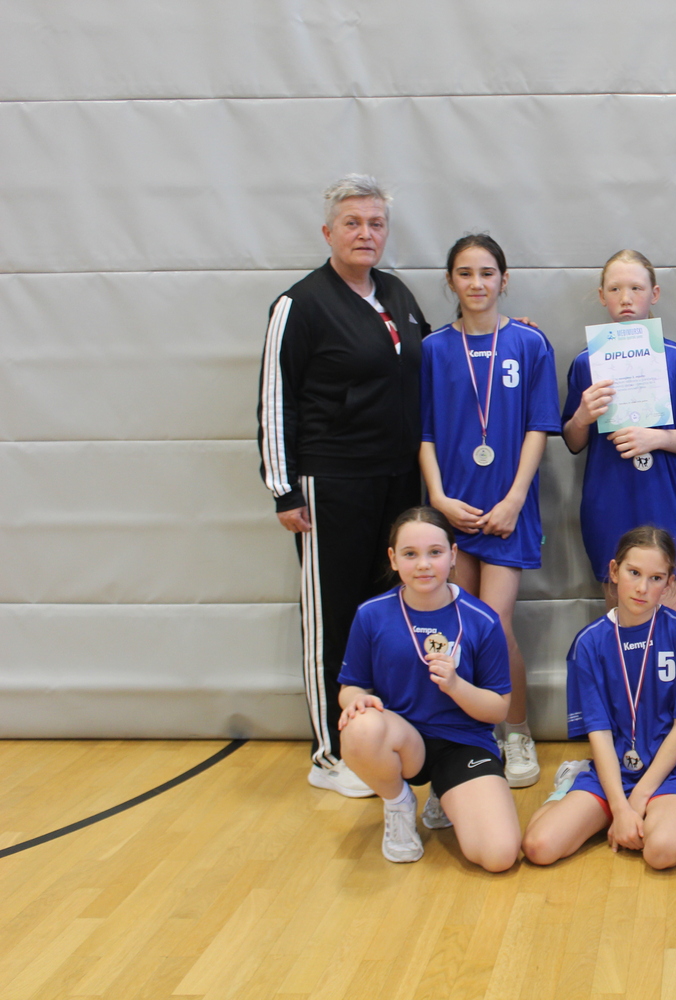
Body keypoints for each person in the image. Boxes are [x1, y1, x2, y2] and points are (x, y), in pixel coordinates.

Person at [257, 174, 429, 797]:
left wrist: (497, 330)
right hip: (331, 484)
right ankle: (330, 755)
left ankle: (376, 737)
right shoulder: (299, 304)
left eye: (375, 223)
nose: (365, 233)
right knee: (335, 618)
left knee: (384, 615)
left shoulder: (398, 293)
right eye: (353, 223)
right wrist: (284, 489)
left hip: (398, 482)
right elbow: (276, 400)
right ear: (328, 232)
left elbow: (433, 357)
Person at [419, 233, 560, 789]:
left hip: (507, 510)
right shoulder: (434, 348)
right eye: (465, 273)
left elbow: (538, 427)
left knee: (494, 625)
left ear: (504, 279)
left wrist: (515, 499)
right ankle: (466, 738)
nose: (476, 283)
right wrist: (437, 498)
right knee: (457, 627)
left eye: (486, 273)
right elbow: (425, 433)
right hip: (453, 510)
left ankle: (516, 730)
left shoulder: (529, 343)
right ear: (450, 281)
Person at [521, 528, 676, 870]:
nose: (642, 588)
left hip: (671, 770)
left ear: (669, 583)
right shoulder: (588, 643)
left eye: (655, 578)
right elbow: (597, 732)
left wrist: (637, 800)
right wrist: (619, 807)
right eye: (634, 573)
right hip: (612, 770)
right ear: (614, 571)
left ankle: (637, 810)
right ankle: (570, 789)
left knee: (663, 852)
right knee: (538, 847)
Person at [336, 507, 521, 869]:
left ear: (453, 555)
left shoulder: (482, 619)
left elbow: (498, 709)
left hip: (462, 744)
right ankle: (398, 804)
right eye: (410, 554)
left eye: (435, 552)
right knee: (360, 727)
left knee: (499, 855)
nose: (423, 564)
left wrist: (455, 686)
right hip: (403, 741)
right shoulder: (371, 614)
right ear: (393, 559)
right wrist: (357, 700)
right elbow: (351, 687)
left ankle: (444, 792)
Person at [563, 250, 676, 615]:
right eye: (615, 289)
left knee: (673, 625)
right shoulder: (586, 362)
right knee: (622, 627)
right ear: (602, 296)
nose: (625, 298)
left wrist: (659, 438)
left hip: (662, 501)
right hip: (610, 501)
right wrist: (581, 417)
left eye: (636, 288)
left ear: (654, 294)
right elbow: (573, 441)